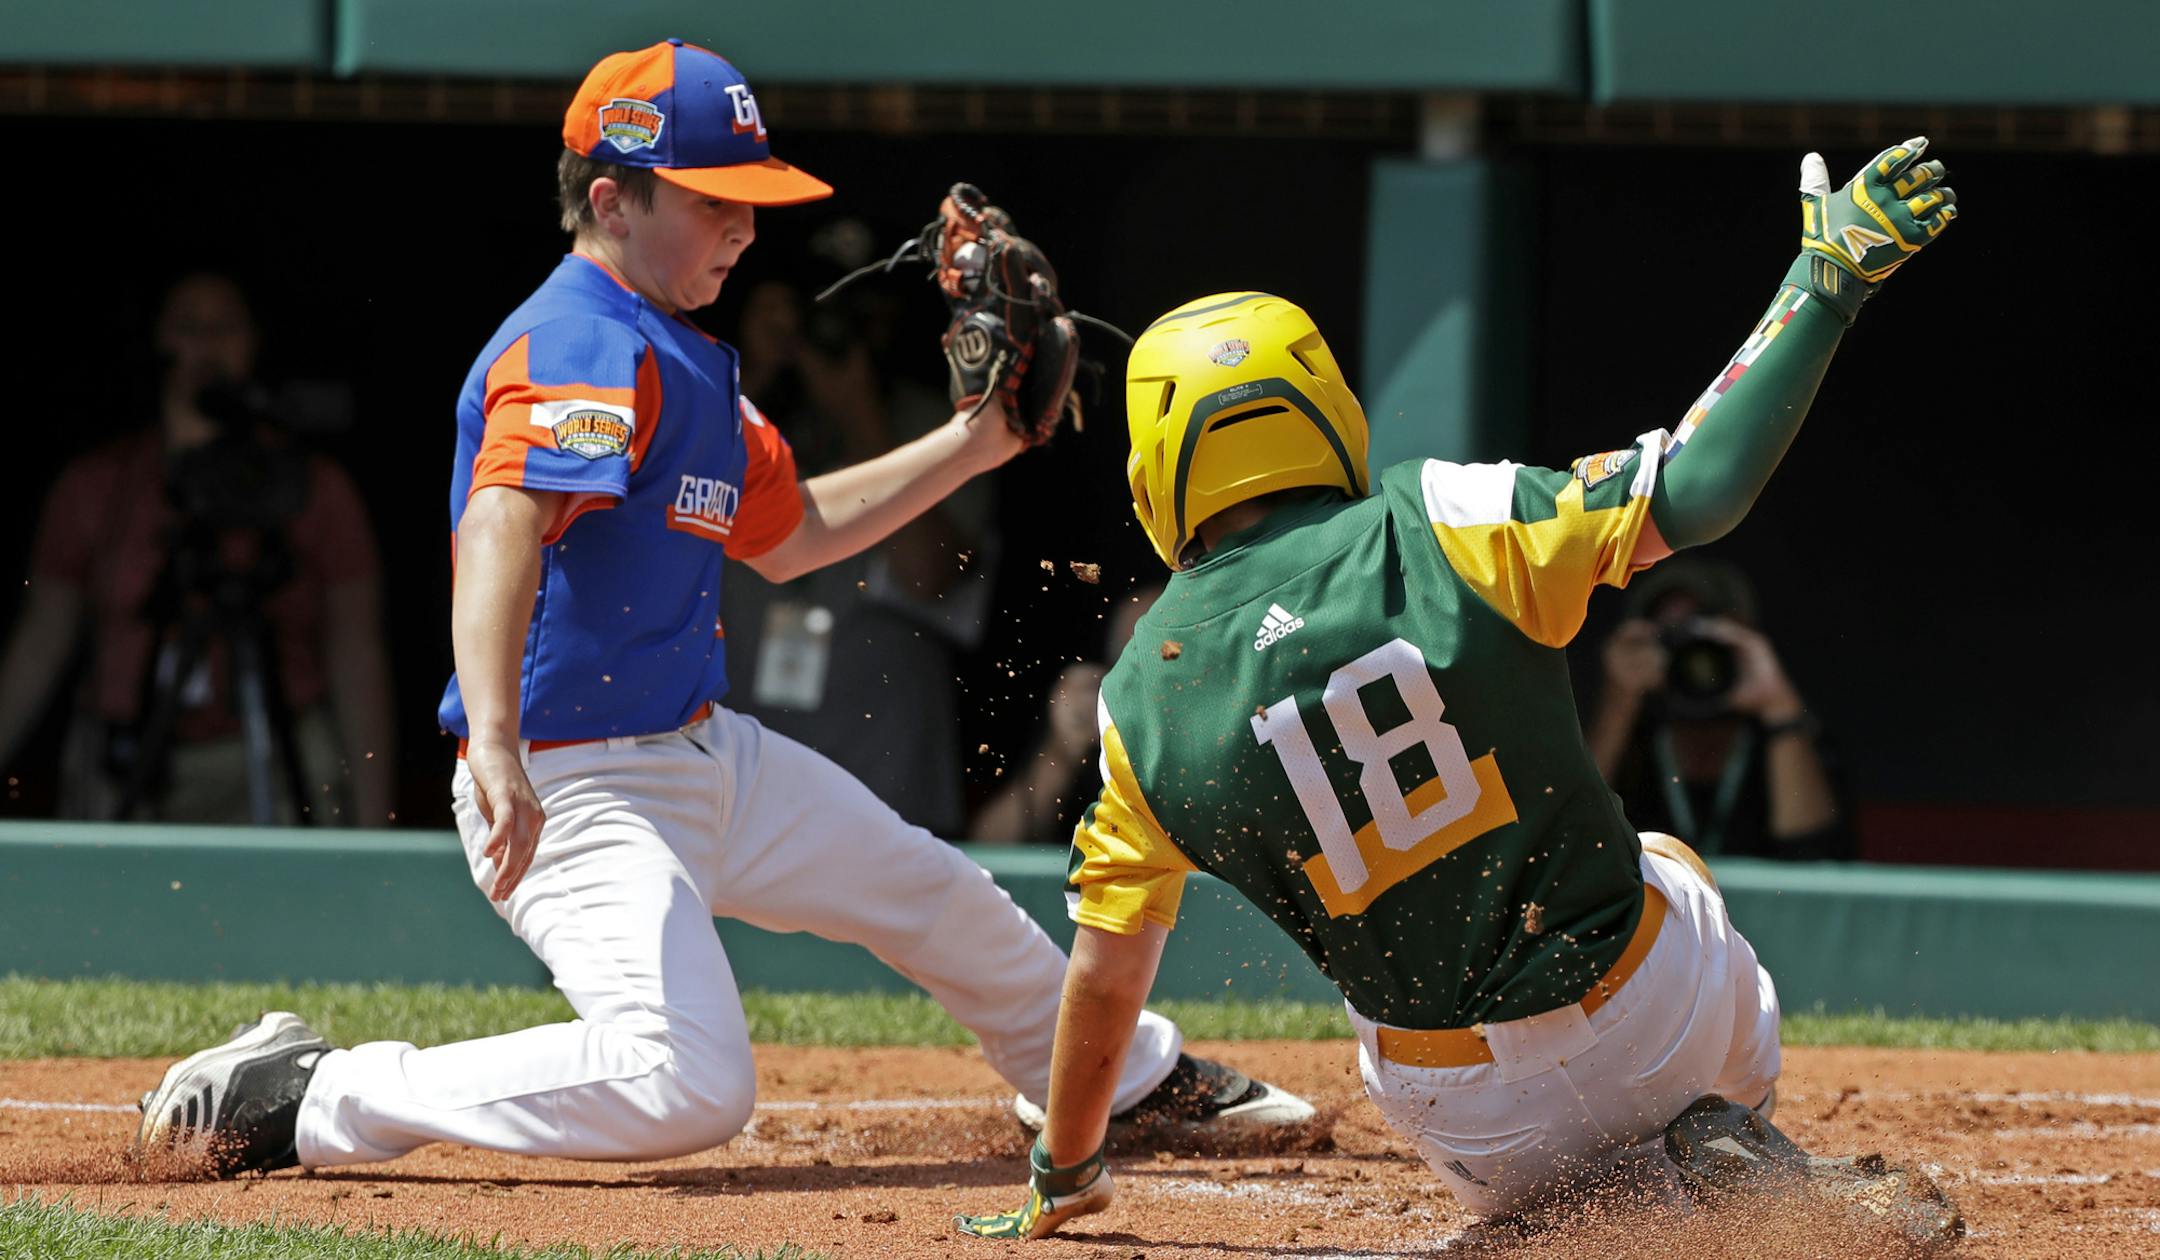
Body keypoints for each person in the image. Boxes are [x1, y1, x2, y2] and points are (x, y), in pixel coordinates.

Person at [133, 39, 1309, 1179]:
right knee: (690, 1081)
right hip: (573, 786)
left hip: (704, 755)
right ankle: (314, 1095)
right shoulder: (580, 338)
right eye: (713, 199)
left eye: (751, 199)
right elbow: (503, 519)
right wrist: (491, 737)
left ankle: (1124, 1080)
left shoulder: (686, 360)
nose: (745, 224)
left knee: (932, 889)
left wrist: (979, 440)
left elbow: (796, 535)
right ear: (614, 198)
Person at [959, 141, 1963, 1243]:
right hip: (1655, 1018)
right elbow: (1704, 486)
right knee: (1667, 864)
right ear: (1326, 410)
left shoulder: (1138, 706)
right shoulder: (1445, 514)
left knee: (1413, 1042)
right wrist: (1825, 284)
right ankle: (1710, 1164)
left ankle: (1577, 1217)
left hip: (1470, 1115)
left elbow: (1104, 983)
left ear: (1159, 470)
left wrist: (1065, 1169)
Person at [0, 271, 393, 826]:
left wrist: (372, 821)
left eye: (225, 326)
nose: (207, 343)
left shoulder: (312, 489)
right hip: (126, 752)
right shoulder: (96, 487)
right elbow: (41, 639)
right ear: (158, 343)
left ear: (254, 340)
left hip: (272, 755)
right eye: (188, 327)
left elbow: (355, 650)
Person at [720, 279, 991, 838]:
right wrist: (745, 377)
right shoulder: (733, 420)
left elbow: (932, 574)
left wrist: (859, 413)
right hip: (740, 784)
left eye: (861, 316)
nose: (836, 332)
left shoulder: (939, 426)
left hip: (885, 789)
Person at [1587, 556, 1855, 859]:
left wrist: (1780, 709)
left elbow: (1816, 863)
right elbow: (1574, 841)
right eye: (1672, 637)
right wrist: (1618, 702)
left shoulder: (1785, 743)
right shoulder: (1633, 742)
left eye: (1706, 638)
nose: (1694, 660)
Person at [970, 585, 1161, 845]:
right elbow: (990, 850)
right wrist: (1061, 754)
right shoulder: (1105, 740)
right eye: (1138, 669)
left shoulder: (1227, 738)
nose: (1155, 690)